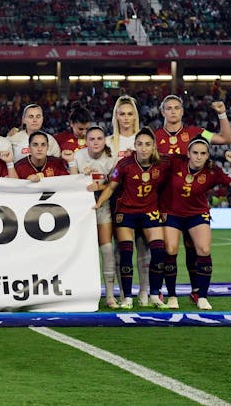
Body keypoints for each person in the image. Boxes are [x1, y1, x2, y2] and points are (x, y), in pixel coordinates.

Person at [154, 94, 231, 302]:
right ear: (162, 112)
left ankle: (197, 289)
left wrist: (222, 114)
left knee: (194, 247)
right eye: (168, 108)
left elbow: (226, 139)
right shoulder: (153, 137)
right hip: (162, 203)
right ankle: (160, 290)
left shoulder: (195, 133)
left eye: (177, 108)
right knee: (163, 249)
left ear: (182, 111)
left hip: (192, 202)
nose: (173, 111)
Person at [161, 139, 231, 310]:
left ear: (208, 156)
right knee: (170, 249)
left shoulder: (212, 171)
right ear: (188, 153)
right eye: (195, 153)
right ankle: (171, 295)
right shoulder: (175, 162)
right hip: (172, 213)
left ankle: (201, 296)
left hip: (197, 214)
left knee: (204, 250)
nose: (198, 157)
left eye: (203, 154)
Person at [94, 127, 171, 310]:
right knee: (126, 252)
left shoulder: (163, 164)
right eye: (140, 144)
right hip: (126, 211)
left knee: (159, 251)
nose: (143, 148)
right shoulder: (124, 164)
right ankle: (127, 297)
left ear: (154, 147)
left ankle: (154, 295)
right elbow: (111, 187)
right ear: (135, 146)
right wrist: (98, 204)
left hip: (150, 211)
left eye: (147, 144)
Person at [106, 94, 150, 306]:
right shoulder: (107, 143)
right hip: (118, 199)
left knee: (143, 247)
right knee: (120, 249)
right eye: (122, 113)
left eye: (130, 113)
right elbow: (105, 173)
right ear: (116, 116)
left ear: (135, 116)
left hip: (143, 197)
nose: (126, 118)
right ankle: (124, 294)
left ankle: (144, 292)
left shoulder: (145, 141)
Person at [76, 126, 118, 308]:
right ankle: (80, 294)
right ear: (86, 141)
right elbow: (68, 181)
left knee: (107, 249)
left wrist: (99, 188)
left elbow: (114, 184)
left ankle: (110, 296)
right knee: (81, 252)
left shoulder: (111, 159)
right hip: (79, 209)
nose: (95, 142)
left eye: (99, 139)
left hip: (102, 207)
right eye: (91, 139)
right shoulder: (77, 156)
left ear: (104, 141)